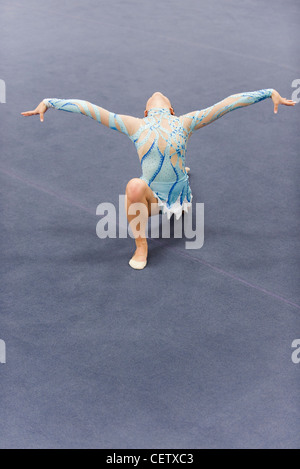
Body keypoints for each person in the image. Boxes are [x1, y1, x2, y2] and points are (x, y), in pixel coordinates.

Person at [21, 89, 295, 269]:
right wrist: (50, 102)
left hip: (180, 195)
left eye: (163, 102)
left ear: (172, 111)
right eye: (152, 102)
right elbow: (90, 109)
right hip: (150, 199)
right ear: (146, 112)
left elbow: (226, 105)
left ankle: (181, 174)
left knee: (174, 169)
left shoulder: (185, 123)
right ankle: (142, 245)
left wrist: (268, 93)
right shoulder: (136, 125)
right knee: (134, 185)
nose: (157, 96)